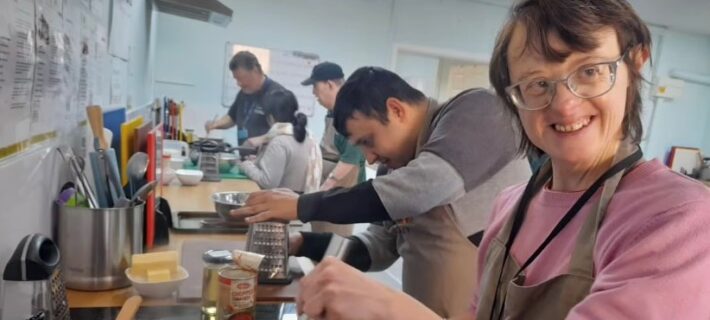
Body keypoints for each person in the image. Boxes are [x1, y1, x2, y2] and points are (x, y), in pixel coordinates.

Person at [292, 1, 710, 319]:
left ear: (635, 65)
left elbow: (425, 185)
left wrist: (396, 310)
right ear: (515, 97)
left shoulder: (681, 220)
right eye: (536, 83)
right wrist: (305, 244)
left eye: (590, 70)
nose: (564, 105)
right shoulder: (510, 207)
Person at [234, 67, 530, 317]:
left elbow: (422, 189)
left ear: (396, 109)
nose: (371, 159)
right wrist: (303, 243)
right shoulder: (399, 167)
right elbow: (377, 248)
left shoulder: (478, 111)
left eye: (369, 140)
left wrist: (302, 205)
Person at [300, 61, 367, 236]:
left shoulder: (351, 111)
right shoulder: (332, 111)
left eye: (315, 87)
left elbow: (351, 157)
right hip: (327, 184)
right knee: (317, 240)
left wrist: (325, 188)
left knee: (332, 245)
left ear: (330, 84)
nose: (314, 93)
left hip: (341, 187)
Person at [238, 90, 321, 193]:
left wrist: (246, 165)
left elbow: (267, 182)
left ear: (270, 117)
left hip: (282, 203)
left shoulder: (279, 142)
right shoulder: (308, 137)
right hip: (300, 201)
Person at [205, 51, 286, 145]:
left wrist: (261, 140)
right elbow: (232, 117)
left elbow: (284, 130)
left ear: (255, 71)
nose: (239, 84)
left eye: (241, 78)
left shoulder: (278, 94)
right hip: (244, 157)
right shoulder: (244, 92)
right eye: (236, 79)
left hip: (266, 157)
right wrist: (215, 124)